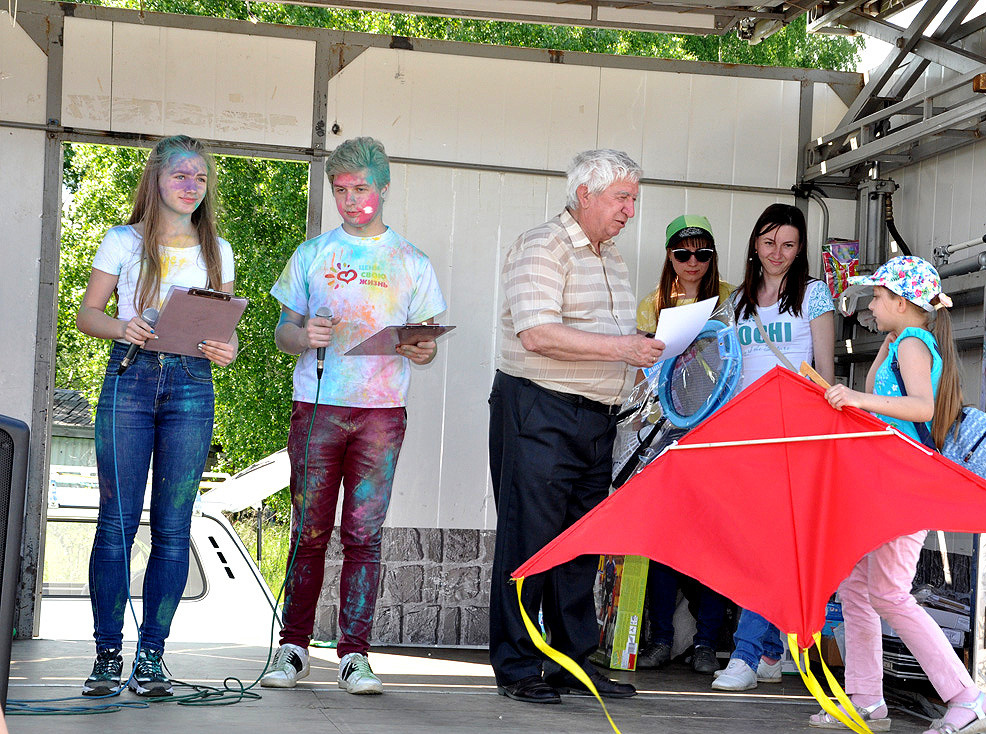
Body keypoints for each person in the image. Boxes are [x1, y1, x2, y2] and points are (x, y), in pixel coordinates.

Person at [262, 137, 446, 696]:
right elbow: (281, 333)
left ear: (383, 188)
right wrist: (303, 335)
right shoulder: (313, 253)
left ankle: (355, 655)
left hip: (381, 413)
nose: (349, 200)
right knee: (307, 531)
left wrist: (421, 350)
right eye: (340, 190)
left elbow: (427, 343)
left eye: (360, 189)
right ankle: (292, 648)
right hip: (318, 407)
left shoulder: (411, 260)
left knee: (364, 536)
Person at [489, 149, 665, 704]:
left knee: (579, 546)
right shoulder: (543, 246)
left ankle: (570, 664)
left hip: (594, 418)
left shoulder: (609, 256)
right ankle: (517, 667)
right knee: (530, 543)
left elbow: (600, 342)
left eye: (634, 199)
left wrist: (636, 366)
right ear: (584, 194)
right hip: (539, 410)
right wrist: (625, 347)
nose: (630, 210)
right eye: (622, 197)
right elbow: (537, 334)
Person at [814, 255, 986, 734]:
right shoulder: (901, 341)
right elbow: (887, 404)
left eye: (877, 297)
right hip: (883, 485)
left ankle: (967, 698)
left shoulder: (915, 343)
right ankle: (865, 698)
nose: (871, 305)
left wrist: (858, 400)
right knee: (856, 586)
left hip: (903, 485)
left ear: (901, 301)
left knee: (887, 592)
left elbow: (920, 406)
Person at [76, 135, 238, 697]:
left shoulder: (217, 249)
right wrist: (124, 328)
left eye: (200, 177)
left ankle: (151, 657)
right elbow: (86, 315)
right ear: (157, 181)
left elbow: (226, 335)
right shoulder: (123, 241)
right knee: (116, 525)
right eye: (181, 176)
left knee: (173, 529)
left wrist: (226, 348)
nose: (192, 186)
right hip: (130, 378)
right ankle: (106, 654)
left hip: (192, 385)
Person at [710, 202, 835, 691]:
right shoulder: (737, 300)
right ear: (754, 245)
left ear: (801, 247)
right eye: (768, 243)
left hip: (793, 435)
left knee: (766, 547)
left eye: (788, 244)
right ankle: (768, 652)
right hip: (743, 434)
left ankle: (743, 654)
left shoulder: (814, 295)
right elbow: (726, 371)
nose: (777, 253)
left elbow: (824, 372)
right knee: (749, 546)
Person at [636, 214, 734, 674]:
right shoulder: (650, 305)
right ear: (669, 257)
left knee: (714, 542)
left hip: (720, 433)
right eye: (682, 253)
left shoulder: (733, 297)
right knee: (662, 541)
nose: (693, 262)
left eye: (703, 254)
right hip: (667, 434)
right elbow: (642, 377)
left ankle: (707, 642)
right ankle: (661, 638)